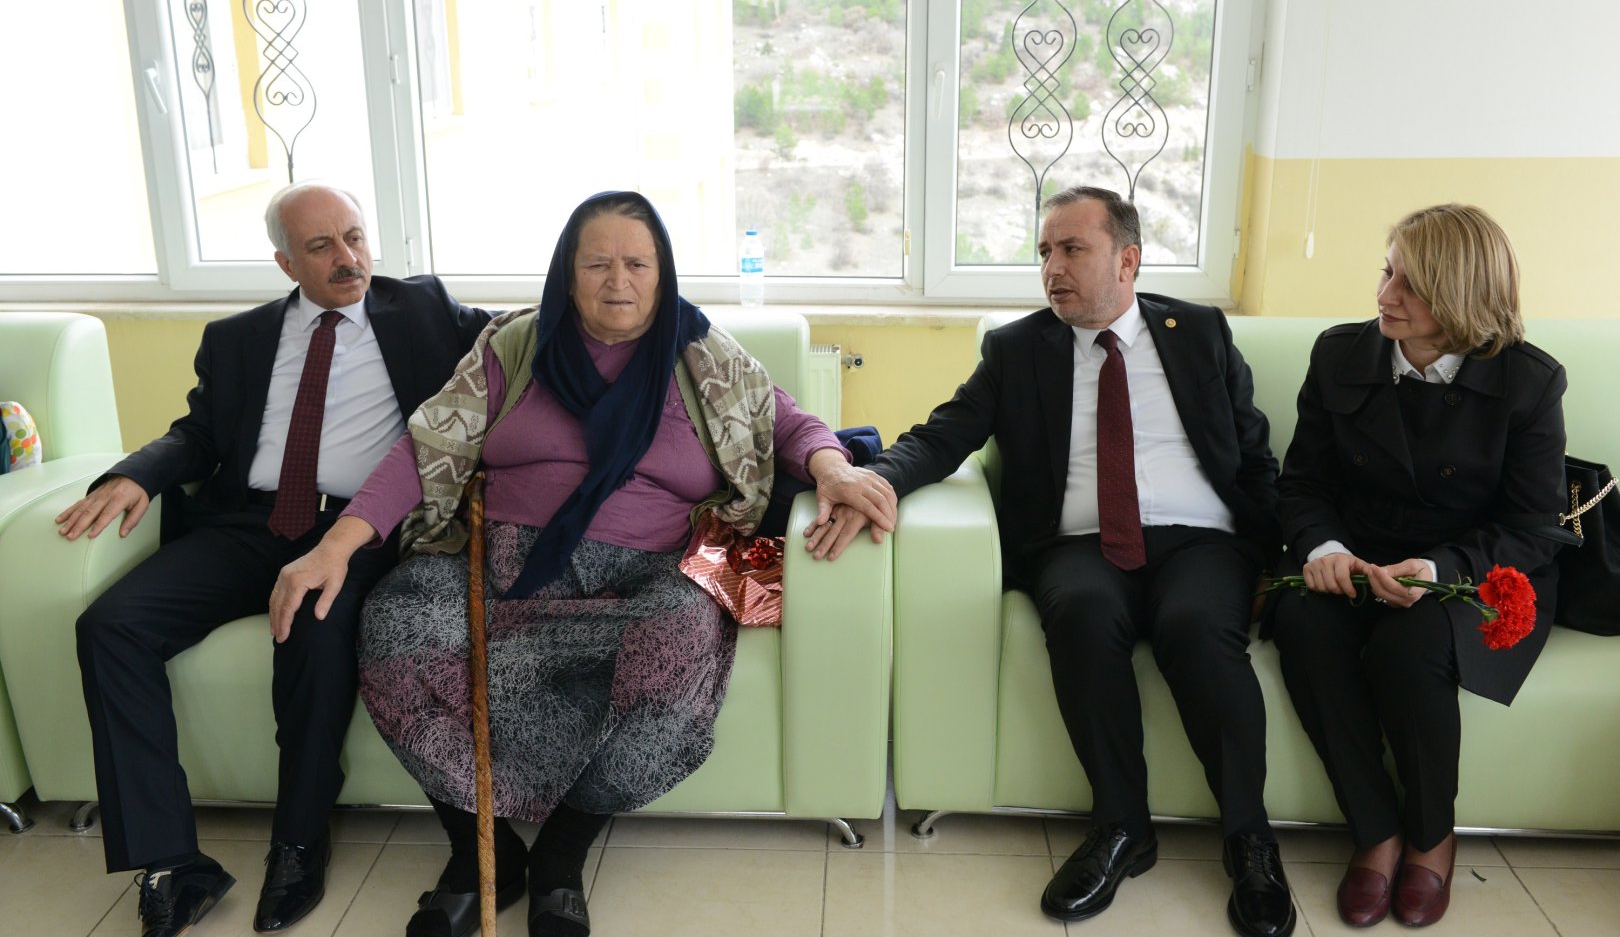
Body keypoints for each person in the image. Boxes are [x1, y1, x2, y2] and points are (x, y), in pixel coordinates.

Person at [272, 190, 896, 937]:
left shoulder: (704, 357)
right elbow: (426, 445)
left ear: (663, 273)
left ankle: (561, 856)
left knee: (681, 637)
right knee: (396, 621)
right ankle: (480, 851)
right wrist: (336, 544)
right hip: (503, 566)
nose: (618, 281)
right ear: (567, 274)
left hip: (649, 573)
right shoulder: (515, 346)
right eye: (597, 263)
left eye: (638, 263)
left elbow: (786, 422)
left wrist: (833, 468)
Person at [807, 185, 1296, 937]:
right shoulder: (1018, 349)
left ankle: (1249, 840)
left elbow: (1254, 453)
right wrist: (870, 481)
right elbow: (943, 435)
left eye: (1072, 249)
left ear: (1127, 260)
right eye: (1044, 252)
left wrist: (1276, 553)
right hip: (1078, 544)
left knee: (1198, 626)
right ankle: (1123, 828)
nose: (1052, 269)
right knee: (1083, 614)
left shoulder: (1197, 331)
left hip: (1200, 538)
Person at [63, 183, 491, 937]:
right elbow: (198, 434)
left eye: (355, 237)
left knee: (313, 631)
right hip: (246, 523)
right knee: (111, 626)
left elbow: (529, 339)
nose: (348, 258)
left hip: (354, 527)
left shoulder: (424, 310)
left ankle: (297, 844)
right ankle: (171, 861)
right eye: (322, 246)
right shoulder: (236, 338)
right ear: (286, 262)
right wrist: (136, 474)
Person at [1268, 203, 1566, 928]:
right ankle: (1376, 832)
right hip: (1357, 553)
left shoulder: (1529, 380)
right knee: (1303, 624)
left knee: (1410, 648)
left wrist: (1435, 569)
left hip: (1471, 565)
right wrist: (1325, 550)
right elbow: (1302, 485)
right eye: (1387, 272)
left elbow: (1533, 528)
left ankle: (1431, 837)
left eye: (1412, 284)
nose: (1385, 295)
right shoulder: (1339, 354)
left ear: (1464, 295)